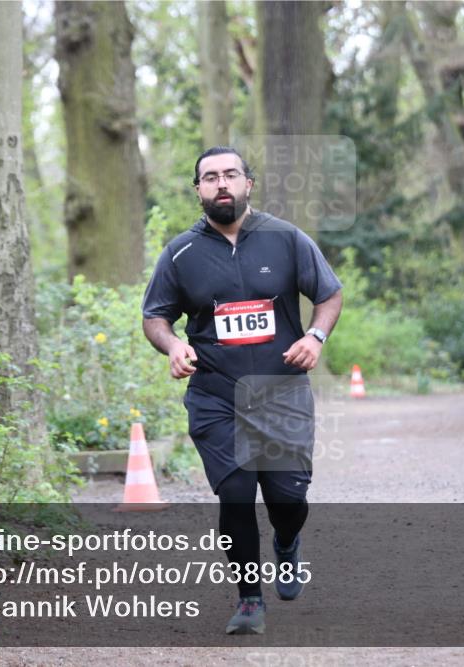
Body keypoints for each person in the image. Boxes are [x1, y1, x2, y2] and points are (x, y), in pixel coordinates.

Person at [141, 146, 343, 635]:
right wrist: (173, 345)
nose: (221, 183)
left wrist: (315, 337)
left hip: (281, 391)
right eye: (210, 177)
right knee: (235, 494)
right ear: (198, 190)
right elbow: (155, 316)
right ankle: (249, 598)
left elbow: (329, 294)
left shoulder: (286, 239)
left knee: (287, 499)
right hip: (217, 394)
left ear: (248, 183)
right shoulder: (180, 253)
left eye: (230, 174)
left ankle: (287, 542)